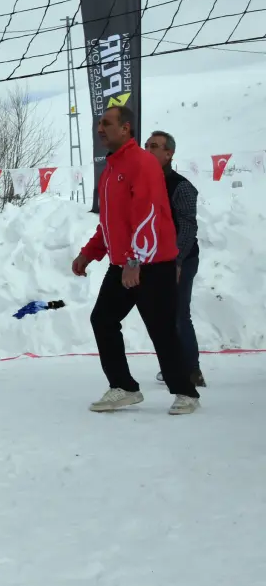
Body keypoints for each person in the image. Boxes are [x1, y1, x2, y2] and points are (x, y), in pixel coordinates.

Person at [72, 107, 200, 415]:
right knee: (103, 320)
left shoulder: (142, 163)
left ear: (126, 128)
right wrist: (89, 253)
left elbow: (148, 214)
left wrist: (134, 260)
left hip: (152, 265)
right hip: (124, 265)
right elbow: (112, 222)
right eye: (99, 123)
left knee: (162, 329)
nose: (100, 128)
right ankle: (124, 387)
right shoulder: (110, 169)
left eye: (107, 123)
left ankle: (186, 393)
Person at [144, 130, 205, 387]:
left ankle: (191, 371)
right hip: (155, 259)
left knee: (179, 314)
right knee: (162, 315)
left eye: (154, 146)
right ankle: (173, 366)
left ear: (169, 154)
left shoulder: (181, 186)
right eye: (146, 145)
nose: (148, 150)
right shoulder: (145, 183)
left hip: (181, 259)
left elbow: (188, 227)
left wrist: (177, 262)